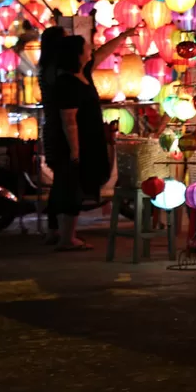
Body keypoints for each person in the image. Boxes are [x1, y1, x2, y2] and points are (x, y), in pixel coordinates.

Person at [45, 28, 134, 250]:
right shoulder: (66, 82)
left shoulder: (82, 73)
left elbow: (102, 53)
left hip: (86, 140)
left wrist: (123, 37)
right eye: (86, 48)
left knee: (71, 185)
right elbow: (69, 121)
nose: (90, 50)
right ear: (76, 54)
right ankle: (66, 238)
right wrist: (75, 150)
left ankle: (62, 234)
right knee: (70, 186)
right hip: (72, 142)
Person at [38, 25, 66, 244]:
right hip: (59, 128)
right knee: (62, 181)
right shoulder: (56, 70)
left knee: (60, 180)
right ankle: (55, 227)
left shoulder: (46, 68)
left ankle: (54, 226)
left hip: (51, 127)